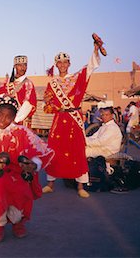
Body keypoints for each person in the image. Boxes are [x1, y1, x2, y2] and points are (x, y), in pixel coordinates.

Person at [0, 96, 54, 243]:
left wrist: (33, 164)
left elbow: (39, 150)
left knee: (21, 192)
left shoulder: (22, 132)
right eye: (1, 115)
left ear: (14, 117)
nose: (3, 120)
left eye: (8, 117)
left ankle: (17, 222)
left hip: (18, 173)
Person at [42, 37, 102, 198]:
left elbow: (90, 67)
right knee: (54, 149)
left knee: (77, 149)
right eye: (59, 63)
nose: (62, 65)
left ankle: (81, 185)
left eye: (65, 62)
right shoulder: (52, 83)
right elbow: (47, 106)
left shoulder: (77, 78)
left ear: (69, 64)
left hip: (74, 119)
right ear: (56, 65)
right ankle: (50, 183)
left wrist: (95, 50)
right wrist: (51, 104)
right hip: (59, 120)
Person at [0, 55, 37, 126]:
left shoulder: (28, 83)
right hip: (7, 119)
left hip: (21, 120)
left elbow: (28, 104)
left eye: (25, 65)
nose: (23, 68)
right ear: (15, 66)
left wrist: (16, 119)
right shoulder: (8, 82)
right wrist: (4, 95)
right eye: (20, 65)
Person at [85, 107, 122, 175]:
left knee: (82, 152)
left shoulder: (112, 127)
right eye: (102, 115)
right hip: (102, 148)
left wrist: (85, 142)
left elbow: (100, 142)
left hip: (108, 151)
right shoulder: (104, 126)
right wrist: (84, 140)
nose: (104, 117)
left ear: (111, 115)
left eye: (106, 115)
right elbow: (94, 137)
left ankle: (82, 177)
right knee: (81, 149)